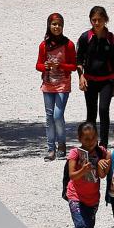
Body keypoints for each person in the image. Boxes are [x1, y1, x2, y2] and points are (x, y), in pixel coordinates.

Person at [77, 6, 114, 138]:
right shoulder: (85, 38)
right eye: (94, 20)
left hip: (107, 81)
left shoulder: (112, 39)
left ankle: (103, 143)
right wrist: (81, 77)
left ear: (105, 20)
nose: (97, 23)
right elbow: (79, 59)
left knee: (103, 110)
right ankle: (90, 143)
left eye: (100, 20)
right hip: (89, 80)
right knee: (91, 112)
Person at [37, 13, 77, 161]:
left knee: (57, 116)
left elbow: (73, 66)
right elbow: (38, 65)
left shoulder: (68, 44)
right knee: (49, 117)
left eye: (59, 24)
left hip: (62, 84)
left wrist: (59, 65)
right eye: (54, 24)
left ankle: (61, 145)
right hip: (47, 84)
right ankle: (50, 149)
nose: (56, 27)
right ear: (49, 25)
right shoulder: (44, 45)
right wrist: (45, 66)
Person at [64, 122, 106, 228]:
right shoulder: (75, 153)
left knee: (89, 227)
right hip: (75, 196)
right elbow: (72, 175)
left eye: (93, 138)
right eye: (86, 139)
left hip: (93, 198)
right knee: (81, 225)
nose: (91, 142)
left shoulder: (101, 152)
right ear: (80, 138)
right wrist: (83, 170)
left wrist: (101, 165)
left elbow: (102, 175)